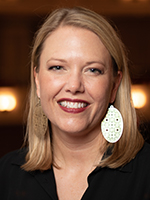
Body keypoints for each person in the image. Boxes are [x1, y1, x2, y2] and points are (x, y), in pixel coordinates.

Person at [0, 7, 150, 200]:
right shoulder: (6, 176)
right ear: (37, 80)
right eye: (58, 67)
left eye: (93, 70)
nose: (74, 86)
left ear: (114, 85)